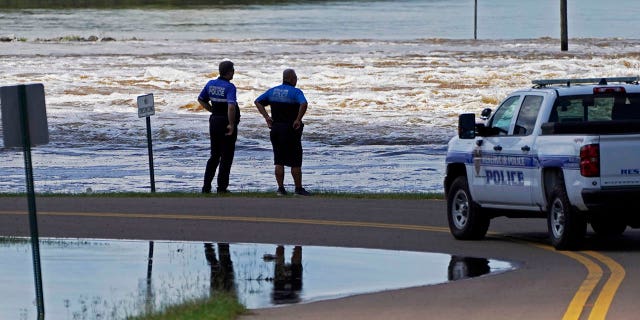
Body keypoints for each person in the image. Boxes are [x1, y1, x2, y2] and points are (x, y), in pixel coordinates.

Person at [254, 69, 311, 196]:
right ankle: (298, 189)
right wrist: (298, 119)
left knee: (278, 160)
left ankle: (281, 189)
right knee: (295, 160)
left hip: (276, 129)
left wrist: (267, 117)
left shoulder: (273, 91)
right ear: (291, 78)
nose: (296, 80)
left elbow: (257, 101)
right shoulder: (296, 92)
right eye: (295, 78)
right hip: (291, 129)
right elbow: (304, 104)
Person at [198, 60, 240, 194]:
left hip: (214, 121)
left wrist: (212, 110)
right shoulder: (230, 87)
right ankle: (222, 188)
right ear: (229, 72)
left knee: (214, 155)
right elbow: (231, 107)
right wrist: (231, 124)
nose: (234, 72)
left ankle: (206, 187)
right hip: (225, 122)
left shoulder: (210, 84)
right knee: (226, 156)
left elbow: (201, 99)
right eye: (233, 70)